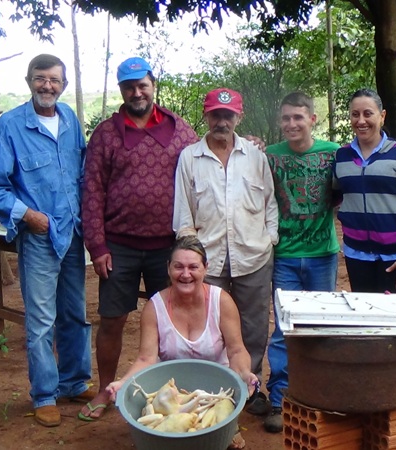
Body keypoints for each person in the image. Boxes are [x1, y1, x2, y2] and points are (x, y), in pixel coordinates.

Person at [0, 54, 94, 427]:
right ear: (29, 81)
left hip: (72, 235)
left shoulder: (71, 120)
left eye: (55, 80)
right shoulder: (10, 127)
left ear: (64, 85)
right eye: (41, 79)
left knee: (75, 313)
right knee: (42, 321)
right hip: (40, 236)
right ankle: (45, 394)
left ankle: (74, 382)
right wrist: (28, 216)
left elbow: (83, 173)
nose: (48, 86)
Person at [80, 57, 199, 421]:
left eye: (142, 85)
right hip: (119, 246)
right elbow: (92, 191)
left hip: (168, 246)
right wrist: (97, 246)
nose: (137, 92)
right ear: (121, 91)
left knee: (175, 319)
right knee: (113, 319)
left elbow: (203, 163)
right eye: (129, 86)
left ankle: (171, 391)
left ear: (153, 84)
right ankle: (106, 389)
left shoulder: (180, 130)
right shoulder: (106, 133)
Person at [173, 87, 278, 417]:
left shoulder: (256, 157)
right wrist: (193, 255)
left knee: (254, 326)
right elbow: (183, 213)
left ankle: (251, 388)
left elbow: (269, 204)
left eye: (228, 115)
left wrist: (270, 238)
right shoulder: (190, 158)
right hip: (210, 258)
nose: (222, 121)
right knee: (211, 327)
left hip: (254, 256)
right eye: (216, 115)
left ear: (238, 117)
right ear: (206, 116)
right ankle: (213, 390)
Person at [104, 232, 257, 450]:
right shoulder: (154, 307)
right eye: (179, 267)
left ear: (205, 267)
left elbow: (236, 350)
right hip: (171, 394)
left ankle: (227, 428)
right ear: (168, 268)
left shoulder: (221, 301)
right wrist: (123, 382)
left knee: (218, 438)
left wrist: (244, 374)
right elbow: (146, 358)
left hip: (217, 393)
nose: (186, 274)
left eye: (193, 267)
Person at [263, 92, 340, 433]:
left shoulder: (333, 154)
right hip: (285, 256)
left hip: (323, 253)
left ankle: (321, 393)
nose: (292, 124)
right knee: (283, 328)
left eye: (298, 117)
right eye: (286, 118)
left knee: (322, 326)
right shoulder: (269, 156)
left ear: (312, 119)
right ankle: (280, 398)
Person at [333, 88, 396, 294]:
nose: (361, 121)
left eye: (368, 114)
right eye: (355, 114)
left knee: (392, 321)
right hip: (356, 255)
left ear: (382, 116)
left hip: (395, 257)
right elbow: (338, 195)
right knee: (364, 319)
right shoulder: (341, 156)